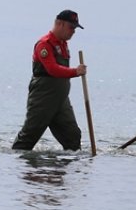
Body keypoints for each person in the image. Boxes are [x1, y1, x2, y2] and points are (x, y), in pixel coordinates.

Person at [11, 10, 89, 151]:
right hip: (43, 98)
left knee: (73, 136)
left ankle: (67, 169)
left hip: (61, 99)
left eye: (75, 28)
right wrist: (75, 71)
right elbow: (52, 69)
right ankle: (19, 165)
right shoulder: (44, 44)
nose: (73, 32)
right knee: (29, 136)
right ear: (59, 24)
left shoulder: (63, 45)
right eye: (71, 27)